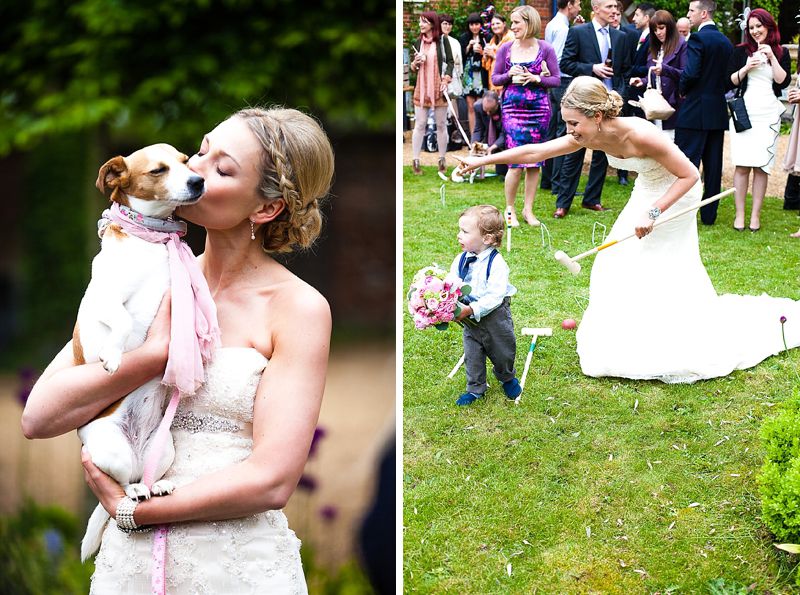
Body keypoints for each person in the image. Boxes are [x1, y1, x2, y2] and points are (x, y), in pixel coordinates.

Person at [22, 106, 336, 592]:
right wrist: (154, 353)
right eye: (202, 150)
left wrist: (134, 512)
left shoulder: (298, 308)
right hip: (132, 567)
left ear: (265, 208)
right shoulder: (149, 274)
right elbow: (38, 417)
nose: (195, 170)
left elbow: (272, 479)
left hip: (232, 566)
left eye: (223, 168)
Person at [459, 76, 800, 383]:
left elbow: (690, 176)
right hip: (647, 191)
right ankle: (632, 340)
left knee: (661, 264)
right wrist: (482, 160)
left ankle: (676, 337)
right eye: (567, 123)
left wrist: (653, 213)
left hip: (674, 195)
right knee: (612, 263)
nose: (571, 131)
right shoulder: (587, 134)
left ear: (596, 116)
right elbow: (537, 150)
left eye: (574, 123)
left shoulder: (640, 134)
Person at [555, 0, 630, 218]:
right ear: (596, 8)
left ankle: (592, 199)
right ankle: (563, 203)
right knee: (574, 151)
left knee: (602, 153)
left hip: (607, 104)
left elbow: (624, 70)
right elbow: (565, 64)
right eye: (609, 7)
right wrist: (592, 68)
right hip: (581, 103)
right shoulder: (578, 32)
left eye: (615, 8)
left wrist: (619, 96)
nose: (614, 11)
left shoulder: (621, 37)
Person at [491, 5, 560, 227]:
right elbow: (495, 78)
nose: (513, 27)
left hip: (539, 110)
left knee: (534, 162)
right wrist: (508, 74)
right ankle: (509, 209)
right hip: (513, 110)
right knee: (515, 162)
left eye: (516, 22)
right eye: (511, 22)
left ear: (530, 23)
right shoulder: (506, 49)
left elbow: (557, 79)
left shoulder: (545, 48)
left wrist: (536, 78)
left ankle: (528, 210)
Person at [726, 8, 790, 232]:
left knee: (762, 166)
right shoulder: (741, 51)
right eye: (751, 27)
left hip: (768, 113)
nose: (754, 31)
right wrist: (746, 67)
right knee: (742, 165)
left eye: (758, 26)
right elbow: (730, 81)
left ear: (768, 26)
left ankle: (755, 216)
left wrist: (772, 57)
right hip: (745, 112)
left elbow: (782, 82)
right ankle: (740, 215)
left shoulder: (780, 52)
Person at [450, 205, 520, 406]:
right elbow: (452, 282)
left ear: (487, 239)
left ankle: (506, 377)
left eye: (464, 232)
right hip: (469, 318)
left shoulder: (497, 264)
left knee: (503, 351)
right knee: (472, 353)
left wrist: (471, 309)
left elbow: (495, 296)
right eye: (460, 230)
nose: (458, 235)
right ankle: (475, 388)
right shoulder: (460, 259)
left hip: (495, 317)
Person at [674, 0, 733, 226]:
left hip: (695, 109)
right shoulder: (726, 42)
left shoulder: (698, 38)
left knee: (685, 163)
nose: (688, 14)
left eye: (691, 10)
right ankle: (709, 216)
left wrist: (682, 89)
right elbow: (727, 80)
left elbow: (691, 72)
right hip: (717, 110)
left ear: (704, 13)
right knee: (713, 167)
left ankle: (681, 212)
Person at [541, 0, 583, 196]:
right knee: (563, 133)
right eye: (579, 4)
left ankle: (548, 180)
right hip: (563, 82)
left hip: (554, 83)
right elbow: (559, 60)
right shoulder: (563, 29)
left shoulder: (553, 24)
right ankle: (558, 184)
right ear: (570, 4)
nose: (580, 8)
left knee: (554, 131)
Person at [629, 10, 688, 140]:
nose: (658, 33)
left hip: (673, 107)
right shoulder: (655, 47)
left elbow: (686, 75)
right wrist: (642, 81)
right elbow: (653, 75)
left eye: (661, 28)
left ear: (670, 26)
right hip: (654, 107)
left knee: (670, 147)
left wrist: (665, 69)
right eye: (655, 30)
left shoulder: (682, 44)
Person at [409, 11, 454, 177]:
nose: (421, 25)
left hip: (438, 87)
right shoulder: (417, 42)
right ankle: (415, 160)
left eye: (424, 22)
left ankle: (442, 160)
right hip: (421, 88)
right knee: (420, 125)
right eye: (420, 22)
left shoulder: (442, 40)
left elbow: (450, 62)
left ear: (432, 24)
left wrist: (446, 79)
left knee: (441, 125)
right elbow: (414, 69)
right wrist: (416, 62)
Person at [461, 13, 488, 137]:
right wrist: (469, 46)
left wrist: (482, 52)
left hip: (481, 73)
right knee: (470, 106)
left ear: (480, 25)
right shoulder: (464, 37)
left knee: (480, 106)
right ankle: (473, 137)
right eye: (472, 24)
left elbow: (490, 56)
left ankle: (481, 135)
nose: (474, 27)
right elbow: (461, 56)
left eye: (476, 24)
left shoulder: (486, 37)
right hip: (469, 74)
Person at [471, 90, 508, 177]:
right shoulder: (477, 107)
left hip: (505, 138)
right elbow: (478, 129)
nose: (488, 113)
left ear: (497, 104)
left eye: (491, 111)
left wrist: (492, 148)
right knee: (477, 149)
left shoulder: (505, 108)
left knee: (502, 173)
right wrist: (474, 144)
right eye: (486, 110)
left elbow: (505, 133)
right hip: (489, 134)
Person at [440, 14, 464, 122]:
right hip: (440, 77)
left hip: (453, 77)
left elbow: (459, 63)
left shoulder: (455, 42)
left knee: (453, 109)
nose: (447, 26)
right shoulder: (436, 41)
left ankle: (454, 132)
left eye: (449, 24)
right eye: (445, 23)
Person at [483, 15, 515, 93]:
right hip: (494, 80)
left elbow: (511, 59)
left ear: (504, 24)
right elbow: (486, 65)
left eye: (498, 23)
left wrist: (493, 55)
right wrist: (485, 54)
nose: (495, 26)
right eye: (493, 24)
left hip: (506, 80)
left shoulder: (511, 38)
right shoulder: (493, 40)